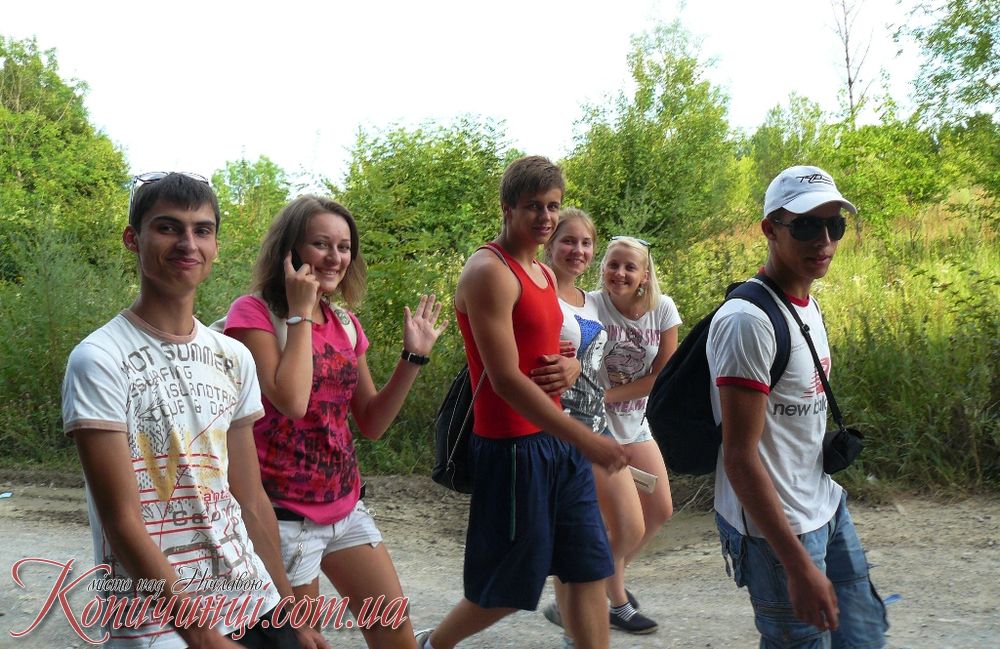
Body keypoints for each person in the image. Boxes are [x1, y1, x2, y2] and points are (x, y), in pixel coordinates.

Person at [61, 172, 325, 649]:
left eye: (202, 230)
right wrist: (201, 636)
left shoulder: (233, 357)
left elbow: (250, 498)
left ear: (215, 246)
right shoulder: (98, 359)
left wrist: (290, 613)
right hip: (157, 623)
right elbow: (122, 520)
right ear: (133, 239)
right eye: (168, 227)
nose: (187, 243)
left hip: (252, 600)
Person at [415, 157, 628, 649]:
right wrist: (587, 440)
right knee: (508, 586)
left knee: (587, 566)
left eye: (553, 206)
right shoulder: (489, 271)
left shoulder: (544, 274)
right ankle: (431, 644)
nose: (545, 217)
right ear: (507, 207)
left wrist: (571, 366)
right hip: (514, 448)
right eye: (533, 206)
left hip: (559, 444)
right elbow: (506, 380)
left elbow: (549, 348)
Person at [223, 195, 447, 649]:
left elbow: (371, 422)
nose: (335, 257)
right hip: (286, 518)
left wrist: (413, 358)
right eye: (321, 244)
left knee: (396, 637)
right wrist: (299, 312)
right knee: (306, 642)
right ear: (290, 250)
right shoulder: (252, 314)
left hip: (346, 507)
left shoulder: (344, 322)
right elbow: (291, 400)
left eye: (344, 247)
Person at [709, 165, 888, 648]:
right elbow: (739, 456)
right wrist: (796, 565)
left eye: (835, 225)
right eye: (807, 225)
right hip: (777, 532)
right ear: (770, 229)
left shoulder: (805, 303)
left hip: (824, 503)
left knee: (864, 637)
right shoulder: (748, 321)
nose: (824, 240)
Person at [539, 210, 648, 644]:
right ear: (550, 244)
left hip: (598, 425)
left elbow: (633, 310)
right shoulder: (539, 292)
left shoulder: (589, 299)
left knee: (631, 527)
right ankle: (576, 620)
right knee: (579, 537)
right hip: (562, 429)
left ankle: (575, 606)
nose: (578, 250)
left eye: (586, 243)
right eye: (568, 241)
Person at [592, 235, 681, 632]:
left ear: (645, 274)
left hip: (634, 422)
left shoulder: (662, 310)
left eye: (630, 267)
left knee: (660, 510)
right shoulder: (591, 305)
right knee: (627, 525)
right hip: (595, 427)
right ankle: (615, 601)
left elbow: (662, 376)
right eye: (613, 264)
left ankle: (590, 589)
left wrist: (608, 395)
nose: (620, 273)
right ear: (602, 267)